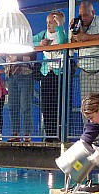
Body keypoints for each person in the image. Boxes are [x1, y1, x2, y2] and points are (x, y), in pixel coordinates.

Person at [33, 10, 68, 141]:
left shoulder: (62, 33)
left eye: (52, 22)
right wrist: (40, 44)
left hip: (59, 73)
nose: (48, 25)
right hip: (46, 73)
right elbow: (30, 41)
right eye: (47, 22)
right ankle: (49, 134)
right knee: (46, 105)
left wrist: (59, 27)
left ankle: (59, 134)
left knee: (58, 105)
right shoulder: (43, 34)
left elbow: (63, 43)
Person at [72, 2, 99, 100]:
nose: (83, 18)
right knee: (87, 103)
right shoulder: (79, 23)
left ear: (93, 12)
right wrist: (75, 30)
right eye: (80, 15)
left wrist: (85, 37)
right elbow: (73, 45)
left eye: (85, 15)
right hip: (85, 70)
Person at [6, 52, 36, 142]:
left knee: (25, 105)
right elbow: (2, 56)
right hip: (11, 74)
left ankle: (27, 134)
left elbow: (32, 57)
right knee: (12, 105)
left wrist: (17, 58)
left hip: (26, 73)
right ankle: (15, 133)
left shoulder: (28, 43)